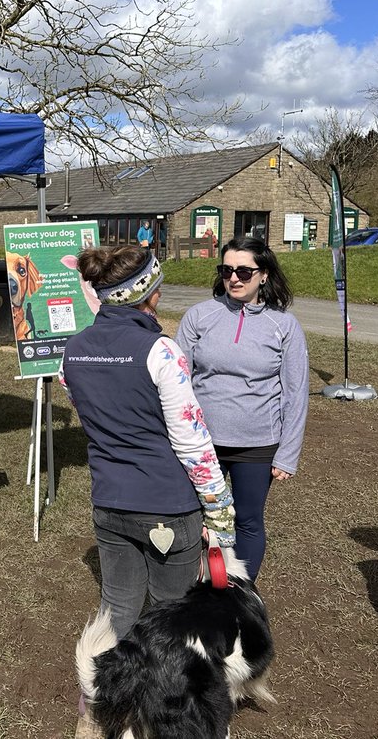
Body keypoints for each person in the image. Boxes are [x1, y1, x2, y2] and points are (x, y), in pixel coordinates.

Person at [60, 245, 235, 641]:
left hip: (109, 500)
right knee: (172, 614)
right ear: (149, 293)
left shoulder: (71, 352)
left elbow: (92, 416)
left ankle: (105, 693)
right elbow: (192, 442)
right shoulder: (162, 352)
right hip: (166, 504)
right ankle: (165, 700)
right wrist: (219, 509)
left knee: (118, 606)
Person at [175, 235, 308, 581]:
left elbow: (295, 393)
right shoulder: (200, 316)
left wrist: (287, 454)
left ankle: (238, 593)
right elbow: (175, 382)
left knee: (247, 521)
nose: (234, 278)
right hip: (202, 444)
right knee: (195, 517)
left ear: (263, 275)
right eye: (227, 270)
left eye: (244, 272)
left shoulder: (284, 326)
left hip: (257, 445)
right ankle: (196, 588)